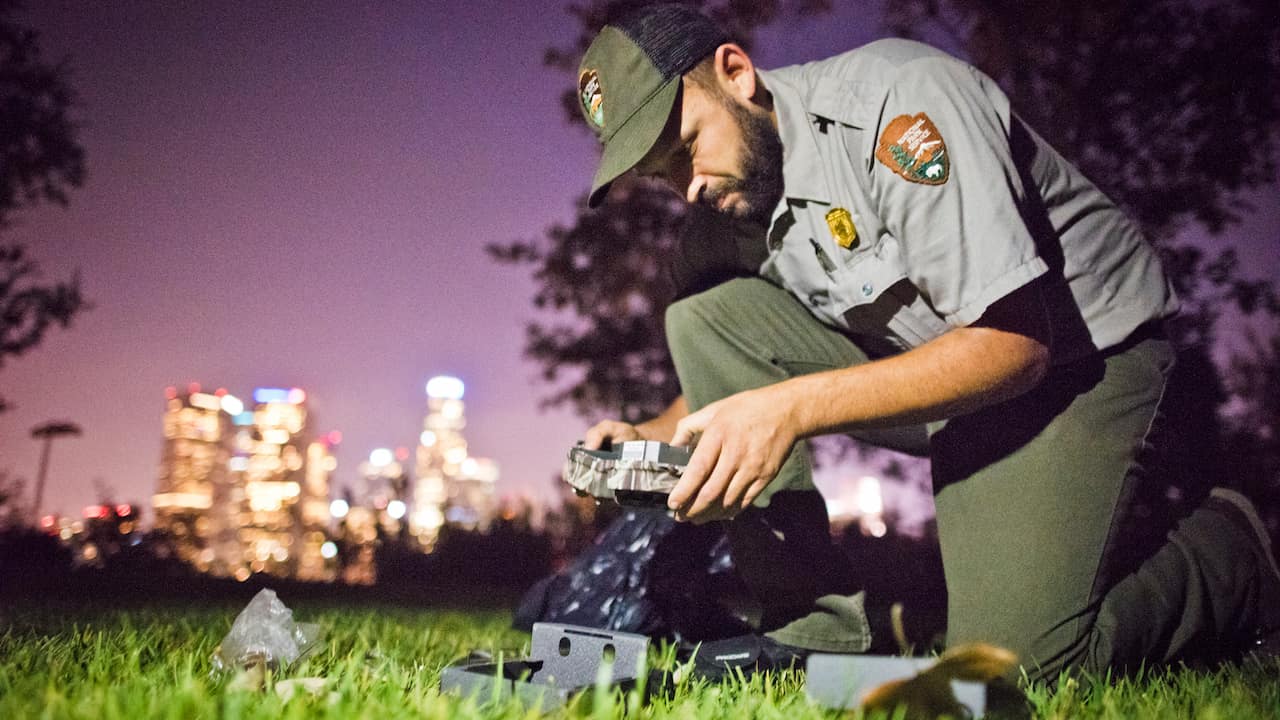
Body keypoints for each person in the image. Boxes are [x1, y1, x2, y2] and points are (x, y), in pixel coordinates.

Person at [570, 3, 1280, 682]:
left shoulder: (898, 108)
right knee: (699, 315)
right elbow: (726, 356)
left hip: (1076, 359)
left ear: (736, 72)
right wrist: (648, 435)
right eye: (658, 172)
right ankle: (811, 630)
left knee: (1013, 671)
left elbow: (1015, 342)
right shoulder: (727, 206)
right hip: (944, 376)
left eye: (687, 145)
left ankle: (1231, 555)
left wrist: (789, 408)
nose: (683, 187)